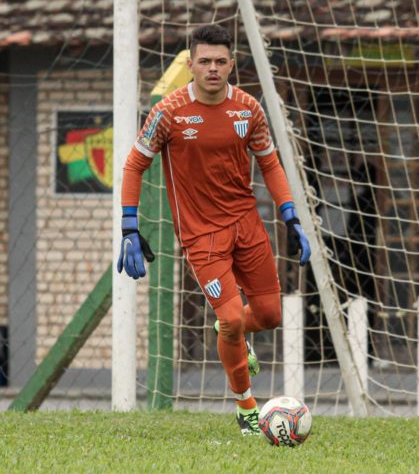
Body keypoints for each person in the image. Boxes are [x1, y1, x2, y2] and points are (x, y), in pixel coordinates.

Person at [117, 24, 310, 435]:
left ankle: (229, 329)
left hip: (247, 225)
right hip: (201, 235)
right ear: (190, 65)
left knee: (270, 315)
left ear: (231, 65)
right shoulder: (168, 112)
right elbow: (135, 165)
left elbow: (270, 164)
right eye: (204, 61)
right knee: (233, 320)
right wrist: (129, 227)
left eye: (220, 61)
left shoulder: (248, 109)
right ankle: (246, 407)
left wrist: (290, 215)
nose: (212, 68)